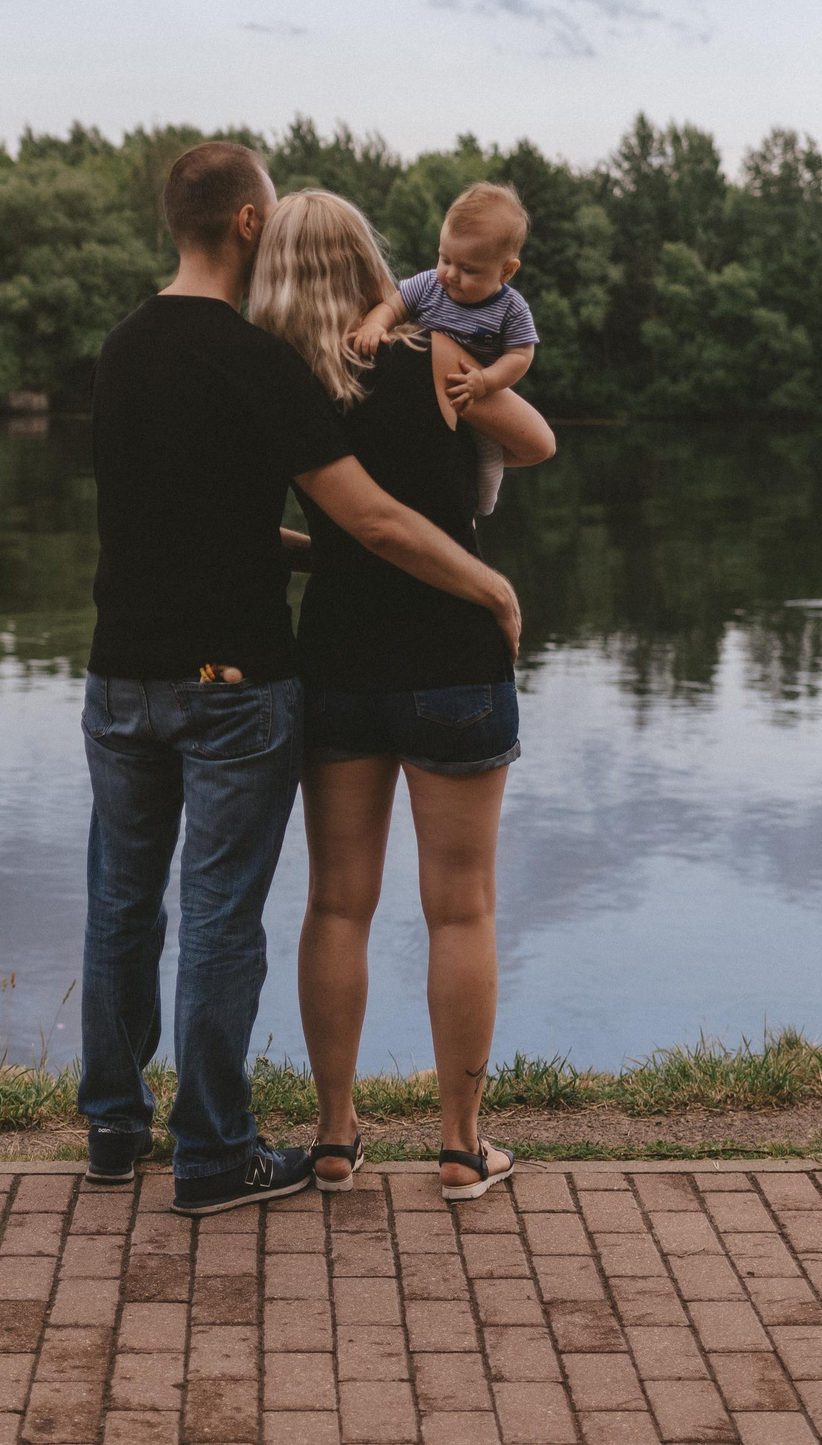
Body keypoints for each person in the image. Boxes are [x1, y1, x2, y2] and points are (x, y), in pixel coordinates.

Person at [81, 142, 524, 1217]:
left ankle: (213, 1133)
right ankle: (404, 1151)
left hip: (218, 671)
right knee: (392, 911)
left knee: (224, 904)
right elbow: (422, 492)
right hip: (340, 670)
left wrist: (312, 549)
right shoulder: (340, 357)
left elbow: (254, 519)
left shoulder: (192, 356)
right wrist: (492, 590)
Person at [246, 190, 556, 1203]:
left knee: (336, 903)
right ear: (372, 261)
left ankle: (334, 1141)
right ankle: (462, 1149)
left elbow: (298, 529)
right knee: (459, 910)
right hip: (454, 660)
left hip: (335, 663)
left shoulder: (277, 380)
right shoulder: (433, 354)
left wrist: (324, 557)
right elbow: (535, 441)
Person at [347, 181, 539, 517]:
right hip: (428, 397)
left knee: (486, 468)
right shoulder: (428, 284)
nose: (450, 274)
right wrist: (374, 325)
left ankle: (472, 515)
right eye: (445, 258)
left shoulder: (511, 308)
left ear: (506, 271)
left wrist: (487, 381)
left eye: (468, 269)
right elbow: (393, 307)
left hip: (476, 396)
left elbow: (521, 355)